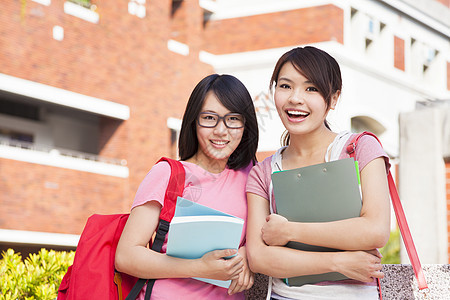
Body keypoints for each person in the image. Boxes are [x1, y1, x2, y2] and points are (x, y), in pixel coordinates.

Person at [246, 46, 391, 300]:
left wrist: (289, 232)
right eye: (285, 86)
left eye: (311, 88)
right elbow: (259, 257)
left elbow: (375, 230)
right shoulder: (263, 172)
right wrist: (337, 262)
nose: (295, 98)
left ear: (333, 99)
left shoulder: (359, 148)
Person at [115, 74, 259, 299]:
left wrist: (248, 255)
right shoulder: (168, 173)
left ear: (246, 124)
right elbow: (126, 256)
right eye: (209, 118)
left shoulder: (253, 174)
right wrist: (199, 267)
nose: (221, 131)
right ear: (193, 121)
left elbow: (265, 234)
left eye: (233, 119)